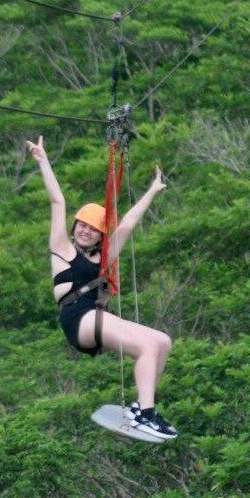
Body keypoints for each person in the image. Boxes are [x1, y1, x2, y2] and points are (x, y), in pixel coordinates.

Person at [26, 135, 177, 440]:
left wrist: (152, 191)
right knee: (148, 346)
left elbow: (128, 224)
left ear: (100, 237)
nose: (85, 231)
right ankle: (145, 415)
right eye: (82, 225)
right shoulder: (62, 250)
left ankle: (140, 408)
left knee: (162, 341)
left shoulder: (104, 258)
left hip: (95, 318)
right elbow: (58, 201)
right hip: (78, 320)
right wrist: (43, 161)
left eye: (93, 230)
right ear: (75, 226)